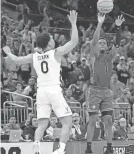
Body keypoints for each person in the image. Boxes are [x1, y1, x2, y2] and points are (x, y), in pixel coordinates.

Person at [3, 10, 78, 154]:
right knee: (67, 123)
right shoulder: (55, 52)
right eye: (51, 38)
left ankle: (36, 146)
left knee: (42, 124)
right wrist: (73, 23)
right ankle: (60, 151)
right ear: (49, 42)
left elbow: (16, 60)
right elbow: (74, 41)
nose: (52, 39)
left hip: (41, 92)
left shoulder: (34, 56)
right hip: (54, 90)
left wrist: (8, 53)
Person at [85, 13, 125, 154]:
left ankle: (109, 148)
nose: (101, 43)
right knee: (93, 119)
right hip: (94, 90)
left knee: (108, 121)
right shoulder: (94, 55)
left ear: (107, 46)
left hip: (106, 92)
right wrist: (100, 23)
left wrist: (118, 28)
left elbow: (118, 44)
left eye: (104, 43)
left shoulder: (110, 56)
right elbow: (94, 41)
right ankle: (88, 148)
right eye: (100, 43)